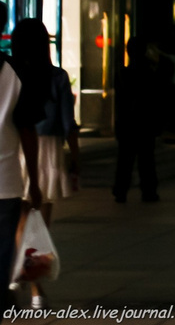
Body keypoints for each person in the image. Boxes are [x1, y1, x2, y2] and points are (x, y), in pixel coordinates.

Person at [10, 20, 78, 308]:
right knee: (40, 223)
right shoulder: (57, 77)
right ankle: (35, 288)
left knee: (20, 221)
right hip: (47, 150)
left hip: (16, 149)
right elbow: (67, 124)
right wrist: (75, 158)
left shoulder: (13, 73)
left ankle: (23, 278)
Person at [0, 4, 42, 317]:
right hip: (6, 180)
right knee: (2, 250)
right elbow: (28, 131)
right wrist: (36, 181)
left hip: (8, 181)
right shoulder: (16, 72)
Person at [113, 37, 165, 203]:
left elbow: (119, 102)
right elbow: (156, 101)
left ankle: (121, 191)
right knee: (146, 159)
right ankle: (148, 191)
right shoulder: (150, 73)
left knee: (124, 160)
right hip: (145, 122)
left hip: (127, 122)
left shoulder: (123, 73)